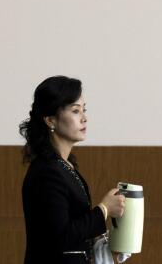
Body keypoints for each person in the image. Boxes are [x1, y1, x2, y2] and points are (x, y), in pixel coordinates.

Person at [20, 76, 126, 264]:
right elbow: (61, 237)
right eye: (75, 111)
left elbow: (73, 235)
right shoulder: (47, 171)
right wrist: (104, 209)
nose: (84, 118)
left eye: (84, 110)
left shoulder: (64, 166)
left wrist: (104, 248)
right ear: (51, 120)